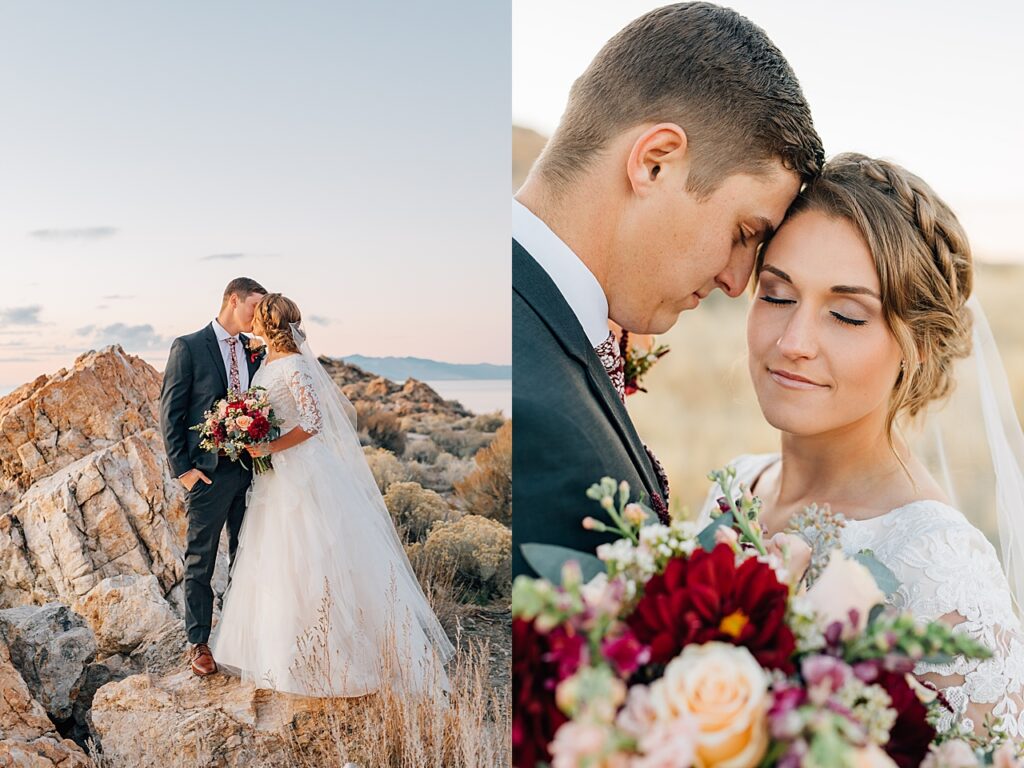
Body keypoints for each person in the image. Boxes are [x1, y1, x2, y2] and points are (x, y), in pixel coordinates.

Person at [697, 154, 1024, 739]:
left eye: (846, 316)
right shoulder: (735, 488)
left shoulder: (942, 567)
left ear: (918, 344)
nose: (794, 342)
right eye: (776, 295)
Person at [511, 2, 824, 577]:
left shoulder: (541, 318)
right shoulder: (526, 406)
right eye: (743, 233)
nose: (737, 282)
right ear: (655, 163)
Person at [209, 293, 454, 696]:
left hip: (302, 472)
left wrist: (269, 446)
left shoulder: (294, 364)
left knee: (314, 558)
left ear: (269, 323)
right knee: (277, 560)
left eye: (258, 316)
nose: (250, 320)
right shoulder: (268, 359)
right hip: (275, 478)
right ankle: (277, 657)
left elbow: (312, 421)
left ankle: (330, 658)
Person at [159, 276, 267, 677]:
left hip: (252, 471)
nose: (258, 317)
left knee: (247, 554)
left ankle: (243, 636)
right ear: (233, 300)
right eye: (254, 307)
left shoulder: (254, 351)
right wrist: (183, 470)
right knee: (201, 559)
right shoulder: (189, 346)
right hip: (206, 473)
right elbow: (170, 411)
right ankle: (198, 642)